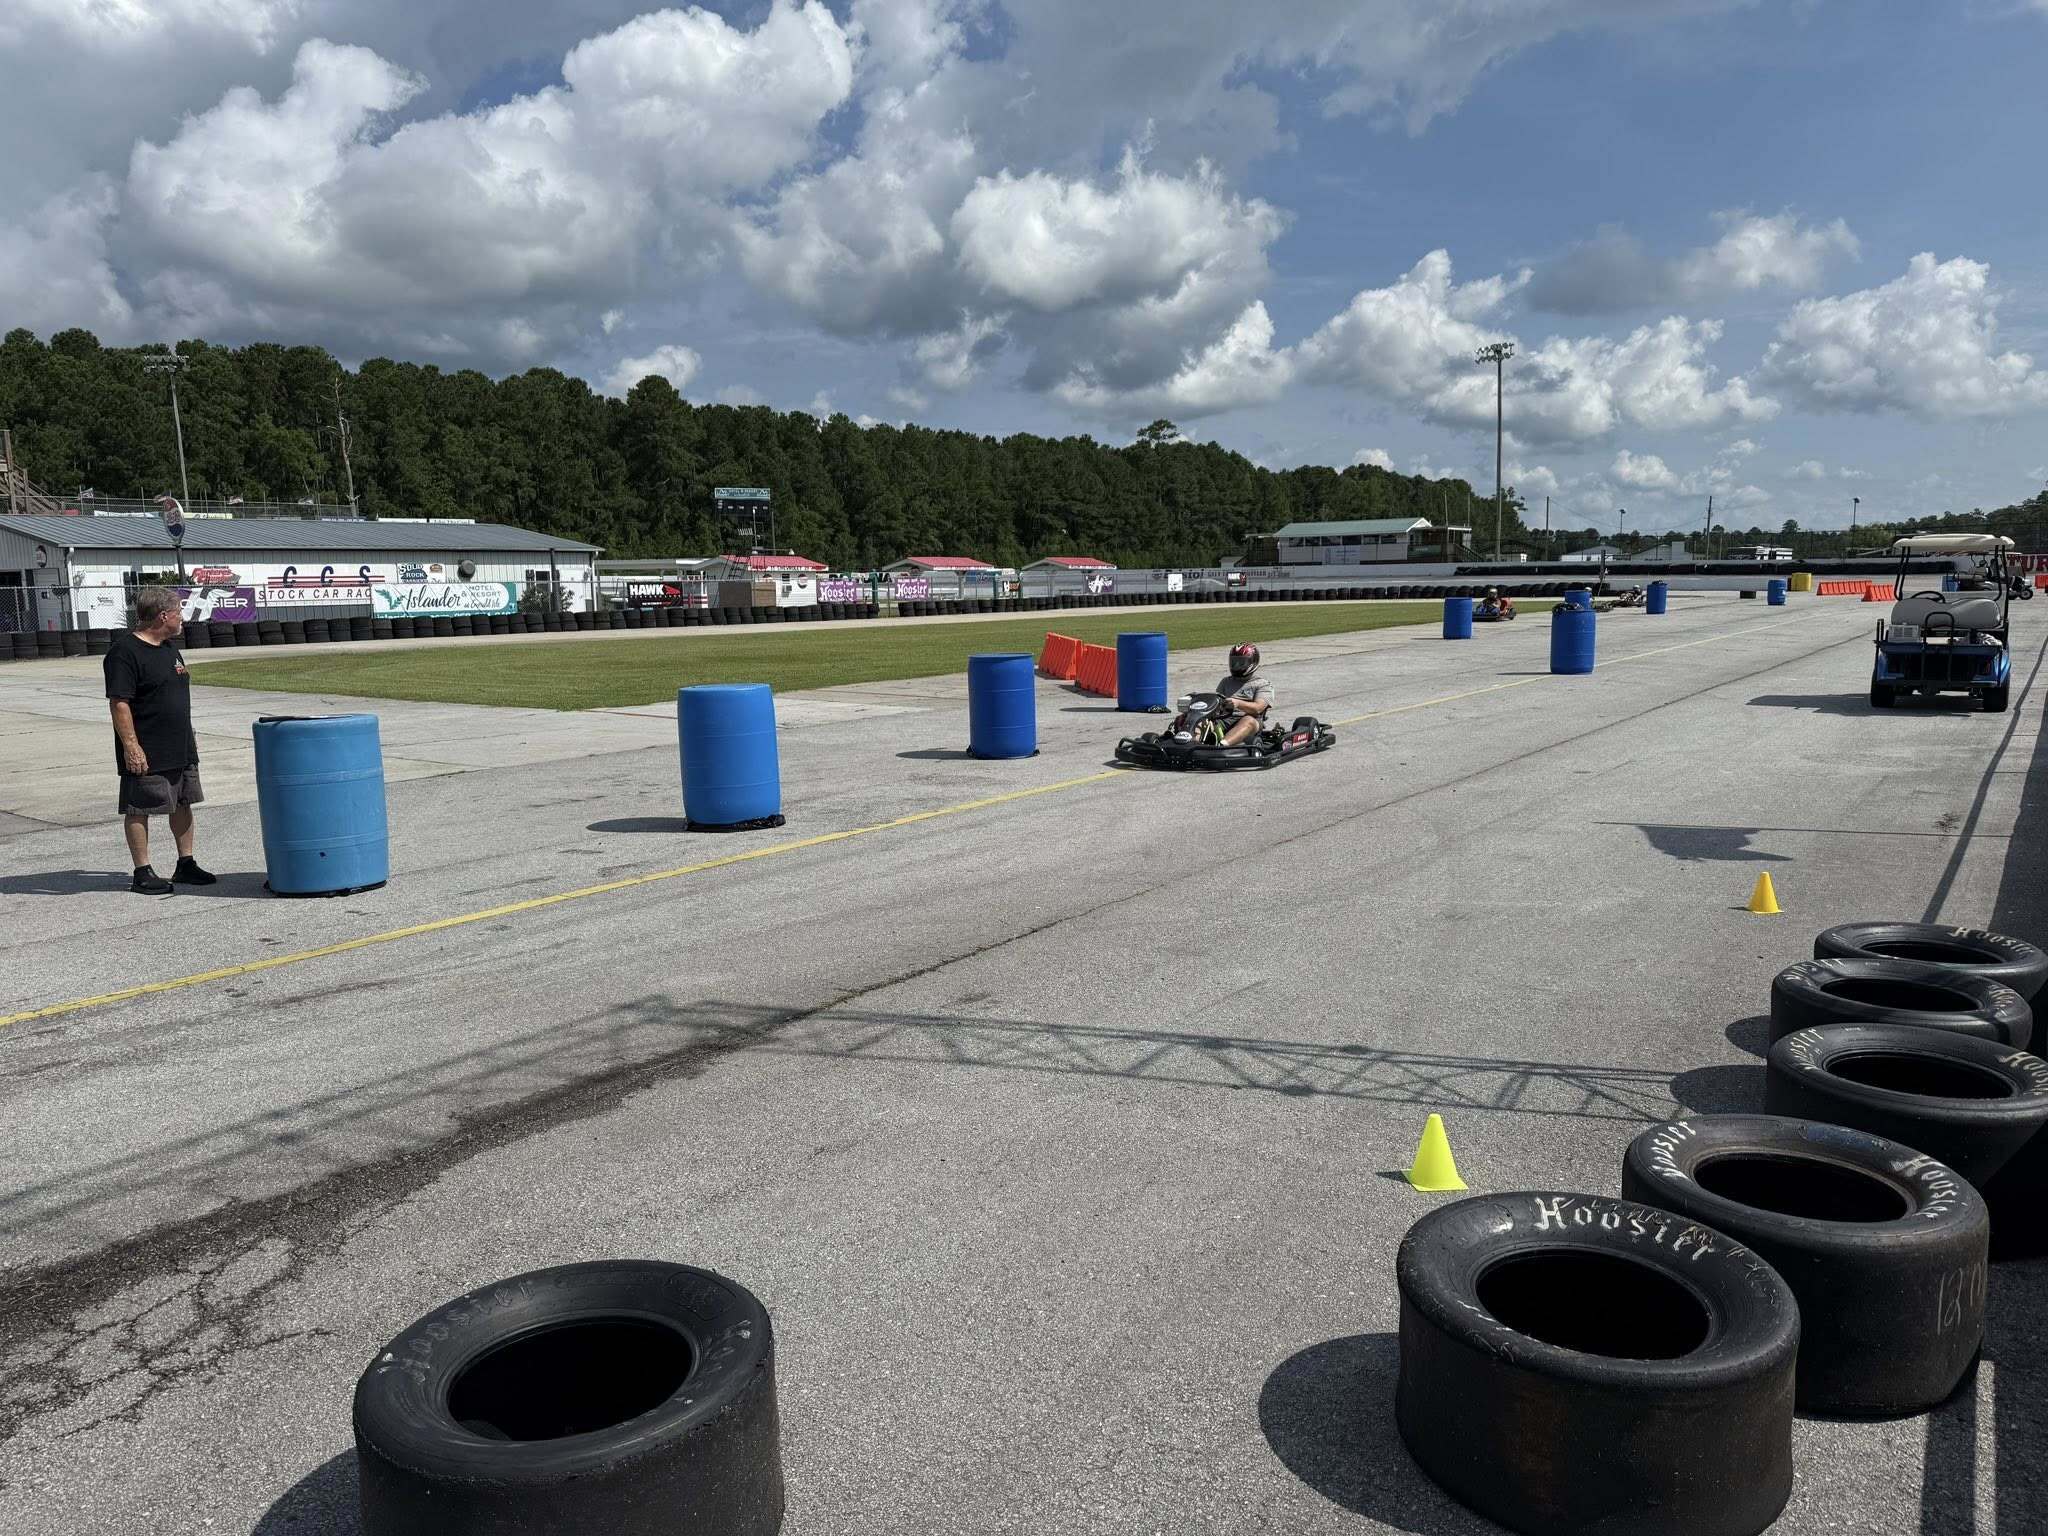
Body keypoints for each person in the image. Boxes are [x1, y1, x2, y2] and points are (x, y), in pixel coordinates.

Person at [106, 587, 215, 894]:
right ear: (163, 615)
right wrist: (131, 746)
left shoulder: (169, 647)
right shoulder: (124, 652)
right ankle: (142, 872)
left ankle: (186, 864)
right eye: (179, 612)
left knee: (183, 801)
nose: (183, 618)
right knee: (139, 806)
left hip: (180, 744)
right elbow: (119, 703)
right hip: (147, 746)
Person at [1216, 642, 1273, 746]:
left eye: (1241, 663)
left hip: (1250, 720)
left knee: (1248, 721)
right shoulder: (1226, 681)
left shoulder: (1262, 684)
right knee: (1201, 720)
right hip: (1225, 719)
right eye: (1234, 662)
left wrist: (1238, 703)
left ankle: (1223, 745)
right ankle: (1190, 743)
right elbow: (1216, 701)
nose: (1236, 666)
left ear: (1252, 662)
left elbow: (1258, 708)